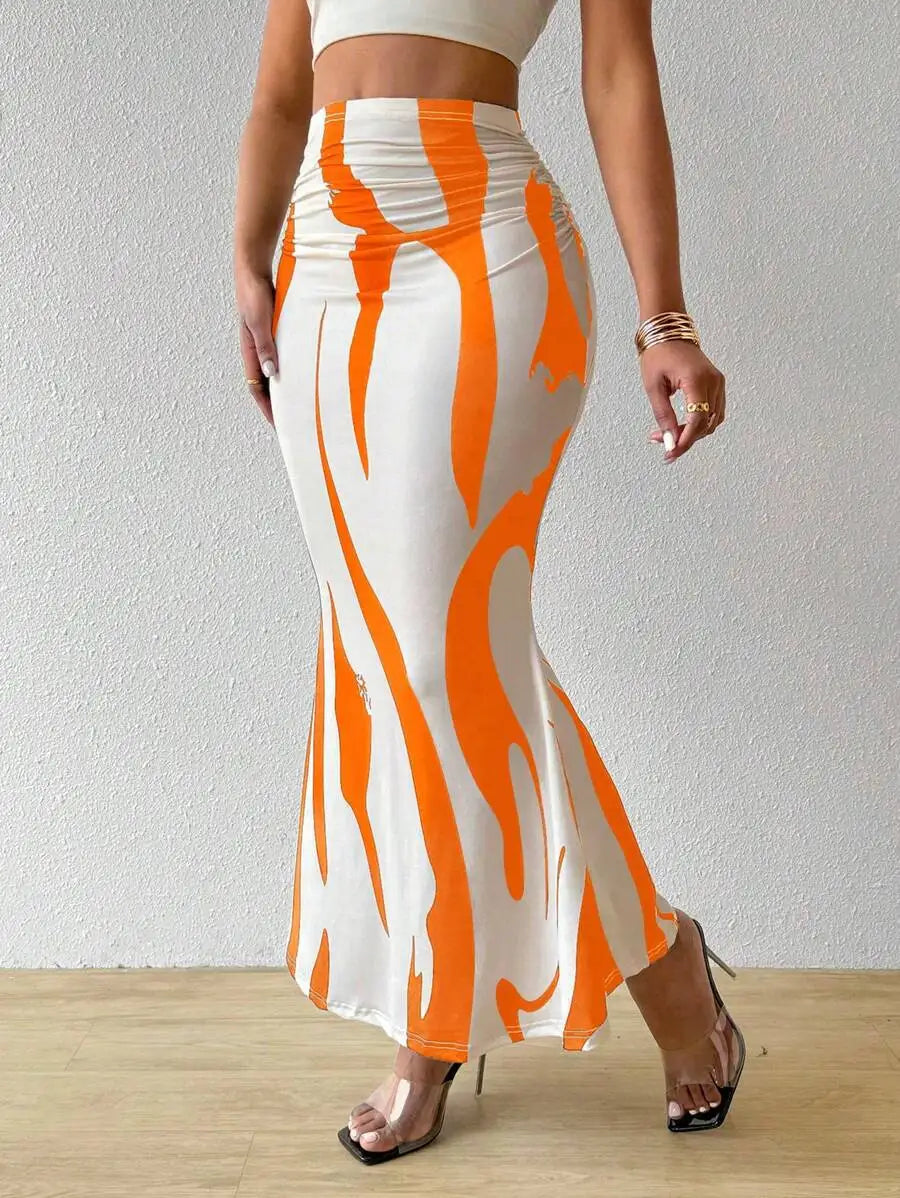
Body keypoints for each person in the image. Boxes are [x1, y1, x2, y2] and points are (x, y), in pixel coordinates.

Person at [232, 0, 743, 1166]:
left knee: (437, 651)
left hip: (486, 245)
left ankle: (454, 1019)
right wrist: (248, 256)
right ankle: (617, 973)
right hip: (325, 262)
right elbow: (280, 88)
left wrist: (664, 316)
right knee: (388, 656)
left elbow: (617, 74)